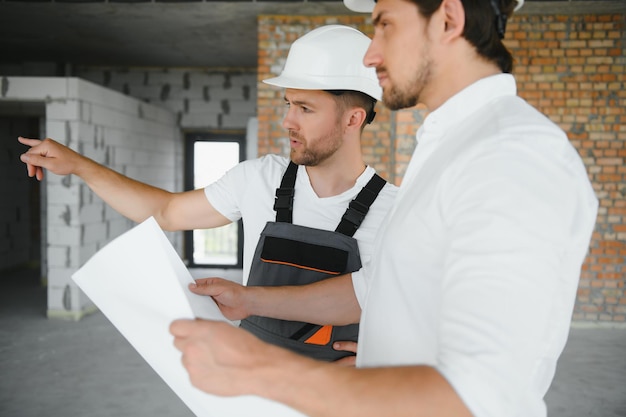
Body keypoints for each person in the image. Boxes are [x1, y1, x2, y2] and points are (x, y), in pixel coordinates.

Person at [170, 0, 599, 416]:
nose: (373, 54)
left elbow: (480, 397)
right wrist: (250, 301)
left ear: (448, 18)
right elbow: (369, 290)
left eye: (385, 24)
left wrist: (262, 369)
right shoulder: (453, 149)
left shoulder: (508, 157)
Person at [18, 25, 397, 363]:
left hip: (340, 394)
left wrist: (391, 352)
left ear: (353, 119)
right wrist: (81, 166)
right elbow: (167, 211)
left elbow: (404, 305)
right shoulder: (259, 179)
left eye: (305, 108)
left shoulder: (395, 212)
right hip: (248, 376)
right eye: (288, 105)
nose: (287, 121)